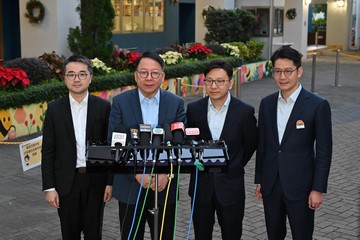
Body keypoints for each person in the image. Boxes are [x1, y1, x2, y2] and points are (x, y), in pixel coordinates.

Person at [255, 46, 332, 239]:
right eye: (278, 71)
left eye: (288, 71)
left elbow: (324, 151)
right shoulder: (267, 103)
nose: (283, 77)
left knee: (302, 235)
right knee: (274, 234)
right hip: (271, 185)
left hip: (301, 187)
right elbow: (262, 145)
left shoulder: (317, 105)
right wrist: (259, 180)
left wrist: (318, 189)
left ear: (299, 71)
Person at [108, 51, 186, 240]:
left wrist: (166, 172)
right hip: (130, 186)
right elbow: (116, 144)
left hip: (164, 186)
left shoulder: (175, 103)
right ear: (136, 76)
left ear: (163, 77)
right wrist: (135, 172)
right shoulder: (120, 102)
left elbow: (180, 143)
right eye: (143, 72)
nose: (148, 78)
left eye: (154, 73)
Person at [41, 55, 113, 240]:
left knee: (93, 233)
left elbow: (108, 146)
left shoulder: (103, 107)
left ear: (90, 77)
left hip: (95, 182)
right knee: (69, 233)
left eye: (82, 74)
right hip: (66, 183)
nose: (76, 79)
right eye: (71, 74)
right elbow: (48, 151)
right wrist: (49, 187)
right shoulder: (55, 109)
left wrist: (109, 182)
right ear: (64, 78)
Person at [186, 59, 258, 240]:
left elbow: (250, 144)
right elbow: (190, 141)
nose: (214, 86)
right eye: (209, 81)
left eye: (220, 81)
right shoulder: (194, 109)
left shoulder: (244, 112)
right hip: (201, 187)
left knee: (232, 235)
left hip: (231, 187)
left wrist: (233, 164)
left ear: (231, 83)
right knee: (201, 235)